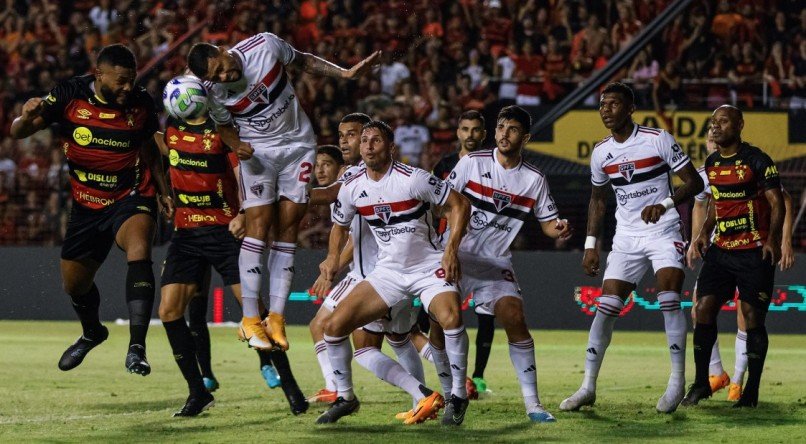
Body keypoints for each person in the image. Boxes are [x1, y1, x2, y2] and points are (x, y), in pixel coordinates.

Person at [186, 33, 381, 351]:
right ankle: (250, 321)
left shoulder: (263, 45)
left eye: (220, 68)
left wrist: (345, 73)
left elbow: (304, 59)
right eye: (214, 77)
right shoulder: (211, 92)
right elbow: (223, 126)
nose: (223, 77)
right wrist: (236, 145)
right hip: (259, 153)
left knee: (288, 227)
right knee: (258, 227)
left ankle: (275, 318)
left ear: (222, 51)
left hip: (299, 146)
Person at [9, 44, 173, 376]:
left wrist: (163, 191)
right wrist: (25, 116)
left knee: (139, 247)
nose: (128, 87)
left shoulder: (140, 103)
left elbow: (150, 151)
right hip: (86, 205)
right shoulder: (70, 94)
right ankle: (92, 332)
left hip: (130, 194)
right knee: (74, 285)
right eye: (122, 81)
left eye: (132, 80)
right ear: (99, 74)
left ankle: (136, 348)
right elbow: (19, 131)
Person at [154, 97, 307, 417]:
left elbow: (243, 172)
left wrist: (244, 212)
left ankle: (291, 387)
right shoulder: (171, 128)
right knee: (169, 311)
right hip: (186, 234)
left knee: (255, 311)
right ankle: (198, 392)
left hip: (225, 233)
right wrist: (162, 192)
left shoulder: (224, 131)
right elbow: (159, 150)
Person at [314, 120, 472, 425]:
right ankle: (346, 397)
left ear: (391, 147)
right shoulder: (352, 185)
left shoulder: (414, 179)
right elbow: (339, 225)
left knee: (450, 318)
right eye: (365, 141)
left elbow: (459, 204)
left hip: (428, 266)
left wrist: (451, 249)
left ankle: (457, 396)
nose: (369, 146)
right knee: (333, 328)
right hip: (388, 272)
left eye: (375, 141)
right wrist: (332, 259)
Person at [560, 82, 704, 414]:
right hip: (625, 238)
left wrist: (665, 205)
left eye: (612, 104)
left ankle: (676, 382)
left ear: (630, 109)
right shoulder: (600, 152)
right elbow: (597, 199)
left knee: (669, 293)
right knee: (606, 306)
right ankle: (587, 387)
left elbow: (694, 182)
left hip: (663, 232)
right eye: (601, 105)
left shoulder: (658, 140)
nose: (605, 110)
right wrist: (590, 245)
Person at [444, 105, 571, 422]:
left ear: (525, 137)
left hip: (494, 263)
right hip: (455, 256)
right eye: (500, 127)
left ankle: (533, 404)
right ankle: (450, 395)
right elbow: (442, 202)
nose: (503, 133)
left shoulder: (534, 179)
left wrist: (558, 227)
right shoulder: (471, 163)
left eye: (512, 129)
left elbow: (547, 222)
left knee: (514, 317)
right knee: (440, 321)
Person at [683, 105, 785, 408]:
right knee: (702, 308)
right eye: (713, 122)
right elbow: (716, 202)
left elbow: (777, 202)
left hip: (754, 251)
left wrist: (773, 239)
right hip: (722, 250)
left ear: (739, 125)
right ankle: (702, 382)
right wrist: (703, 233)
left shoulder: (758, 160)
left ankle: (750, 390)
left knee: (752, 317)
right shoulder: (713, 162)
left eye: (723, 122)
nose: (716, 127)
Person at [432, 109, 495, 395]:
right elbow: (432, 206)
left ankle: (478, 376)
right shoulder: (443, 165)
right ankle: (448, 376)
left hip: (486, 249)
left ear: (483, 134)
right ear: (458, 132)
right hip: (447, 248)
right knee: (437, 315)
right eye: (465, 129)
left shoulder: (494, 165)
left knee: (486, 314)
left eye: (476, 130)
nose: (470, 135)